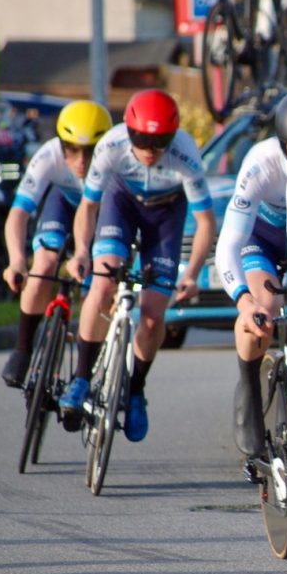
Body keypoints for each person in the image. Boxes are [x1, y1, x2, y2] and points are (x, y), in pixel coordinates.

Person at [58, 89, 214, 442]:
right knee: (102, 283)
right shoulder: (110, 147)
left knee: (153, 313)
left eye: (159, 143)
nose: (148, 150)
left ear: (172, 139)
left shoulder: (186, 156)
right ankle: (81, 378)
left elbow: (206, 222)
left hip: (165, 212)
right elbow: (88, 206)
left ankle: (136, 389)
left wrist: (191, 275)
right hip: (122, 201)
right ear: (128, 133)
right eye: (141, 140)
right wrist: (82, 250)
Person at [216, 87, 287, 456]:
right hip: (263, 240)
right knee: (263, 305)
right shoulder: (261, 163)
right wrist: (244, 301)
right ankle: (249, 389)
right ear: (281, 146)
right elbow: (230, 243)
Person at [0, 100, 112, 387]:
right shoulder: (48, 155)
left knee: (99, 286)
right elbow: (19, 213)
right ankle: (22, 349)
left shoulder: (116, 158)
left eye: (90, 152)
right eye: (72, 150)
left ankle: (85, 374)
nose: (81, 161)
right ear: (61, 145)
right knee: (45, 264)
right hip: (63, 205)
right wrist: (16, 260)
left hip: (102, 213)